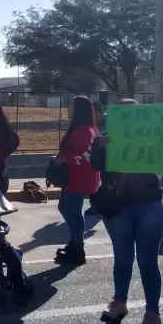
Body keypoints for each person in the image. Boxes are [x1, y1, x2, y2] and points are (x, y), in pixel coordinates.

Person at [91, 98, 163, 324]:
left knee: (148, 261)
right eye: (122, 114)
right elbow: (94, 166)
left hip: (150, 206)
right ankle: (119, 302)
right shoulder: (102, 139)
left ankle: (152, 313)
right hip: (118, 208)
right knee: (122, 258)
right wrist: (100, 147)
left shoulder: (152, 137)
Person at [54, 96, 100, 266]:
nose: (68, 109)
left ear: (78, 109)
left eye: (70, 106)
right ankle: (75, 241)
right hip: (71, 175)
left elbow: (86, 155)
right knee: (64, 207)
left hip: (80, 176)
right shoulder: (79, 128)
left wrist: (66, 160)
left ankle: (78, 246)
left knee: (73, 210)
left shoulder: (86, 130)